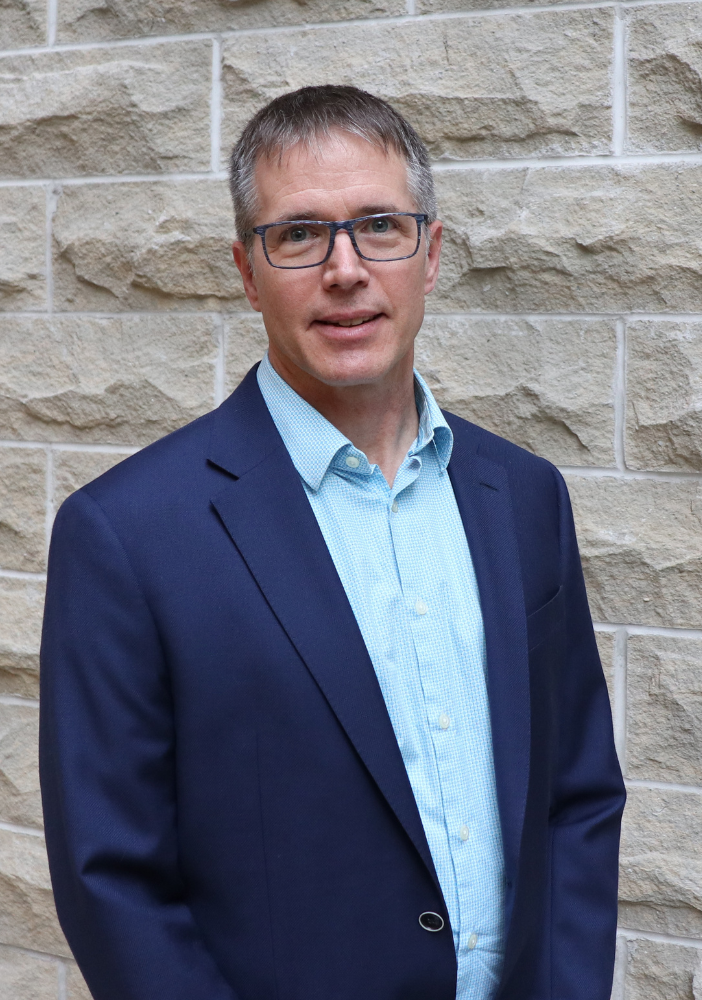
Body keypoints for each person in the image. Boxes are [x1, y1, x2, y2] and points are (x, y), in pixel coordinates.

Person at [39, 85, 625, 1000]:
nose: (345, 268)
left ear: (429, 255)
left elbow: (578, 794)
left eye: (379, 225)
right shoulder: (126, 535)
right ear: (246, 270)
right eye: (300, 235)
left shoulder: (523, 496)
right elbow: (112, 881)